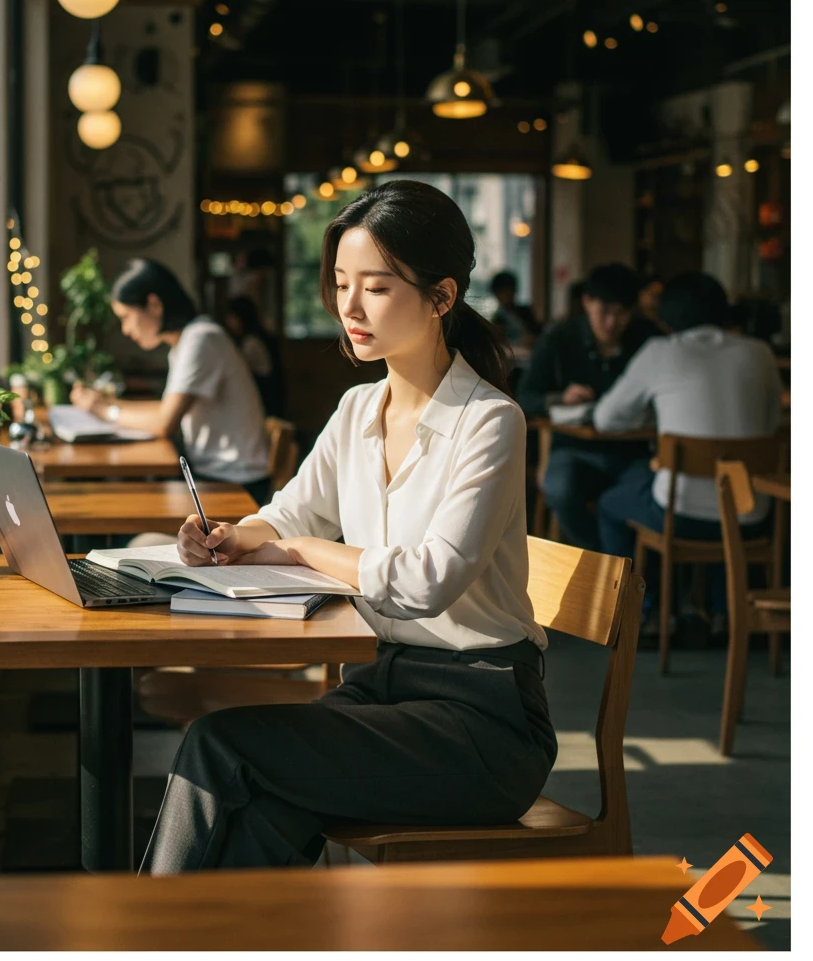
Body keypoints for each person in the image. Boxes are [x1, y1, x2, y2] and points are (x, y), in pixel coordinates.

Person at [140, 179, 558, 875]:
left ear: (441, 297)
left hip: (484, 724)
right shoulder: (358, 409)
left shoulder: (489, 423)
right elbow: (292, 509)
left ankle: (139, 945)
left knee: (221, 744)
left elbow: (425, 582)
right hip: (383, 691)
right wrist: (236, 534)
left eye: (376, 287)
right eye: (339, 284)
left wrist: (298, 548)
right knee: (255, 806)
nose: (349, 308)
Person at [593, 272, 781, 606]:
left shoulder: (659, 352)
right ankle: (722, 611)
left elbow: (605, 419)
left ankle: (642, 614)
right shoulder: (761, 353)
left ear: (666, 314)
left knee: (609, 503)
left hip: (680, 516)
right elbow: (770, 426)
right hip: (751, 516)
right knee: (722, 500)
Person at [70, 258, 271, 504]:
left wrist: (104, 409)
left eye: (126, 317)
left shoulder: (202, 339)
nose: (125, 329)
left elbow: (165, 422)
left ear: (153, 305)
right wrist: (107, 403)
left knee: (114, 503)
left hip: (234, 484)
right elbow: (166, 409)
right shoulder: (188, 341)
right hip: (215, 476)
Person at [517, 262, 663, 551]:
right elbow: (523, 398)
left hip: (633, 452)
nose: (611, 323)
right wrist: (558, 398)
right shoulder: (560, 338)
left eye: (621, 314)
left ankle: (630, 574)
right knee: (560, 489)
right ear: (587, 303)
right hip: (574, 449)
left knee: (657, 496)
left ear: (634, 311)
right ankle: (606, 560)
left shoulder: (649, 339)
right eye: (604, 312)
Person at [224, 295, 287, 418]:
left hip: (265, 402)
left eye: (232, 317)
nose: (229, 322)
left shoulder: (251, 343)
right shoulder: (259, 337)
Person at [489, 270, 541, 349]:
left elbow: (537, 333)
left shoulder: (526, 311)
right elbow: (499, 343)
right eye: (502, 292)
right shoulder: (498, 319)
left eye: (508, 290)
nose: (506, 295)